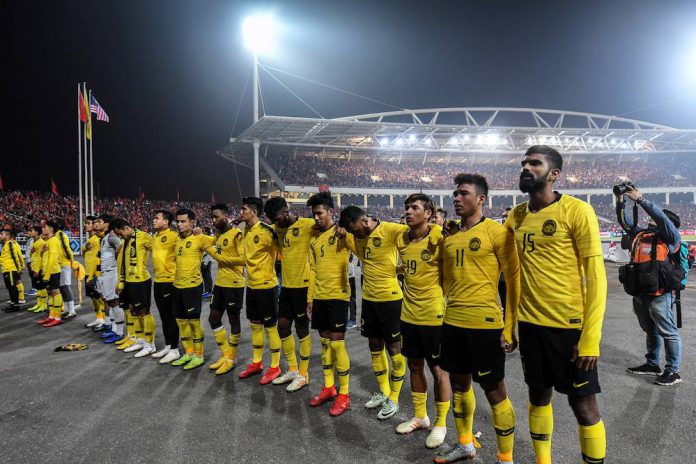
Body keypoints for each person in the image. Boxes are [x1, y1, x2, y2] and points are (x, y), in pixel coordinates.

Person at [505, 145, 607, 464]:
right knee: (537, 396)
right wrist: (509, 326)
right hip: (531, 327)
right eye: (524, 162)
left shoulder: (577, 211)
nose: (526, 167)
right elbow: (510, 275)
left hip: (569, 329)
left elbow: (596, 278)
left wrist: (590, 338)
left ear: (554, 174)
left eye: (535, 163)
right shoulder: (516, 215)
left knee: (583, 405)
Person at [434, 176, 520, 464]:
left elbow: (514, 281)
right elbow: (444, 278)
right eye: (455, 193)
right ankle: (465, 444)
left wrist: (510, 326)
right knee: (459, 385)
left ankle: (505, 458)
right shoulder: (449, 236)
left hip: (485, 324)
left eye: (464, 193)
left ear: (481, 199)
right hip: (452, 322)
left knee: (495, 390)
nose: (457, 198)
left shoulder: (497, 232)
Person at [393, 194, 451, 450]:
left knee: (439, 371)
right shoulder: (401, 238)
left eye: (414, 208)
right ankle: (420, 416)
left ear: (428, 214)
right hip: (408, 315)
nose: (408, 211)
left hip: (434, 316)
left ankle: (441, 423)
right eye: (407, 207)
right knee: (414, 366)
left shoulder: (438, 237)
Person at [339, 206, 407, 421]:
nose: (355, 235)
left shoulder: (390, 229)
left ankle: (394, 398)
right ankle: (384, 391)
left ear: (363, 221)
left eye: (355, 230)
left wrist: (401, 269)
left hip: (391, 300)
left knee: (394, 348)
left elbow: (416, 237)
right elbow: (349, 241)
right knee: (374, 345)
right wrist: (343, 232)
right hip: (369, 300)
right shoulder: (355, 236)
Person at [617, 186, 684, 386]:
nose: (651, 219)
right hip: (640, 291)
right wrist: (621, 200)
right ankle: (652, 364)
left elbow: (661, 219)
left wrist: (641, 200)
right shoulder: (642, 234)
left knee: (668, 331)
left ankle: (673, 371)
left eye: (656, 218)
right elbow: (625, 222)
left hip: (660, 292)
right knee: (650, 330)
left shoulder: (670, 237)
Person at [306, 191, 354, 416]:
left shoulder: (342, 233)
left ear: (331, 212)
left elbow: (358, 245)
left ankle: (344, 394)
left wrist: (348, 232)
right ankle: (329, 387)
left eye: (320, 213)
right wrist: (310, 298)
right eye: (314, 214)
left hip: (338, 296)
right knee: (325, 344)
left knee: (337, 345)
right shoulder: (314, 239)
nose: (316, 217)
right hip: (320, 297)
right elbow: (313, 270)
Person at [263, 197, 315, 392]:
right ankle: (292, 369)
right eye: (273, 221)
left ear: (286, 212)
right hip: (286, 285)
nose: (276, 224)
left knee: (302, 329)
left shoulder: (308, 225)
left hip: (303, 286)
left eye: (277, 219)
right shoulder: (277, 228)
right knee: (282, 327)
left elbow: (330, 228)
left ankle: (304, 374)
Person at [237, 197, 283, 384]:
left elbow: (283, 250)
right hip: (251, 286)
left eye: (244, 209)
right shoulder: (245, 230)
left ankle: (275, 366)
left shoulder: (266, 231)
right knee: (255, 325)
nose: (241, 212)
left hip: (267, 286)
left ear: (254, 212)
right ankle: (257, 363)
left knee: (271, 327)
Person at [170, 209, 214, 370]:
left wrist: (201, 232)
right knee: (181, 322)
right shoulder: (176, 238)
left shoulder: (199, 238)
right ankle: (188, 353)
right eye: (178, 221)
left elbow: (219, 240)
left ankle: (199, 355)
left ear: (192, 222)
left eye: (183, 221)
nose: (179, 224)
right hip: (177, 286)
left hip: (193, 286)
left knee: (194, 322)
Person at [205, 203, 245, 375]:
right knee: (213, 319)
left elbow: (243, 259)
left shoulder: (237, 234)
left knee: (233, 320)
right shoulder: (219, 234)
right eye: (212, 217)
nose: (213, 220)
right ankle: (226, 355)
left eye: (216, 217)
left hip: (234, 283)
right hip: (220, 283)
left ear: (226, 215)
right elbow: (211, 243)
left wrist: (219, 257)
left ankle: (231, 358)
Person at [112, 218, 156, 358]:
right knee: (133, 310)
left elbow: (161, 248)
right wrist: (120, 282)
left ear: (127, 228)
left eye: (120, 234)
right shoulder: (125, 242)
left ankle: (150, 344)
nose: (120, 237)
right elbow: (121, 263)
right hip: (128, 281)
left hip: (140, 280)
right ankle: (140, 340)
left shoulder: (144, 237)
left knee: (144, 311)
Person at [150, 210, 181, 364]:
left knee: (171, 316)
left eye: (157, 218)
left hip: (170, 281)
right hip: (158, 281)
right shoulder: (154, 237)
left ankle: (175, 350)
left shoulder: (174, 236)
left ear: (166, 221)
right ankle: (168, 346)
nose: (153, 220)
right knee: (163, 316)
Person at [93, 215, 125, 344]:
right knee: (110, 301)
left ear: (106, 224)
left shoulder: (112, 237)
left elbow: (122, 248)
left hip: (112, 272)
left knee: (115, 302)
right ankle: (114, 328)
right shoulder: (106, 237)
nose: (97, 223)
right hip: (106, 273)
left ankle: (119, 332)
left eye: (99, 221)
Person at [36, 220, 65, 326]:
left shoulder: (53, 240)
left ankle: (57, 317)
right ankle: (52, 316)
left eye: (45, 227)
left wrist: (47, 274)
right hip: (47, 271)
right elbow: (46, 257)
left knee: (55, 292)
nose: (42, 229)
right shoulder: (48, 241)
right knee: (51, 293)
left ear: (51, 229)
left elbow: (53, 258)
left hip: (53, 271)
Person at [83, 215, 106, 328]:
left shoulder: (98, 239)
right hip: (88, 272)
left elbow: (99, 258)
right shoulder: (90, 239)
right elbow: (87, 256)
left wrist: (95, 275)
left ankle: (104, 320)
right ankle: (99, 318)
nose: (86, 225)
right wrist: (84, 249)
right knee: (94, 297)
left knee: (100, 297)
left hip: (95, 273)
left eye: (88, 223)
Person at [1, 226, 25, 311]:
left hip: (10, 269)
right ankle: (13, 303)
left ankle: (16, 305)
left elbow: (16, 257)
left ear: (8, 236)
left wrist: (20, 268)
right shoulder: (7, 244)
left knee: (12, 287)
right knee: (10, 287)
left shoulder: (11, 244)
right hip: (6, 269)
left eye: (2, 234)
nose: (0, 236)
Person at [26, 226, 47, 313]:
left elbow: (40, 257)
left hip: (38, 268)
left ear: (37, 232)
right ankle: (39, 304)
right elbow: (33, 255)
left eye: (32, 231)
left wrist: (37, 270)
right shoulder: (34, 242)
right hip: (34, 267)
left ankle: (44, 305)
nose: (30, 232)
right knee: (38, 288)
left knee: (41, 287)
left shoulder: (41, 242)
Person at [347, 254, 357, 329]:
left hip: (349, 275)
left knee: (351, 298)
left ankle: (353, 320)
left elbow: (351, 256)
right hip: (342, 273)